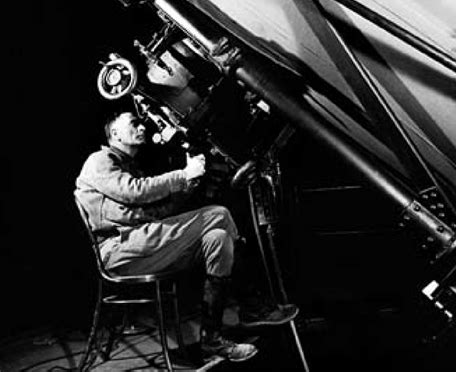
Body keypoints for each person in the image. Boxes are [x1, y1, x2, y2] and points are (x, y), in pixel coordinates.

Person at [75, 111, 298, 363]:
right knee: (219, 213)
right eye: (134, 123)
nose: (142, 128)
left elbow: (158, 212)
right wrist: (183, 174)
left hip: (144, 245)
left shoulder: (130, 167)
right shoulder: (100, 160)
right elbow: (134, 192)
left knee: (218, 238)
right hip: (119, 251)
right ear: (114, 133)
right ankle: (252, 306)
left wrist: (191, 184)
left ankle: (211, 340)